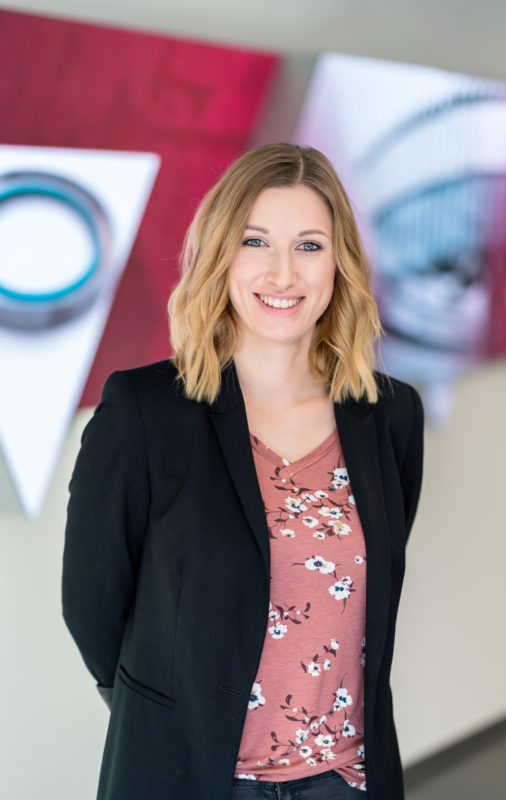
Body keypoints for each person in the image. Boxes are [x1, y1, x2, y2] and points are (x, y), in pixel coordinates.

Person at [62, 143, 424, 800]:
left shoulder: (389, 414)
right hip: (191, 776)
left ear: (338, 263)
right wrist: (167, 710)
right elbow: (92, 600)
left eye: (309, 246)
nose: (283, 274)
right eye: (257, 242)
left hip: (346, 780)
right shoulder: (145, 412)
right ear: (221, 254)